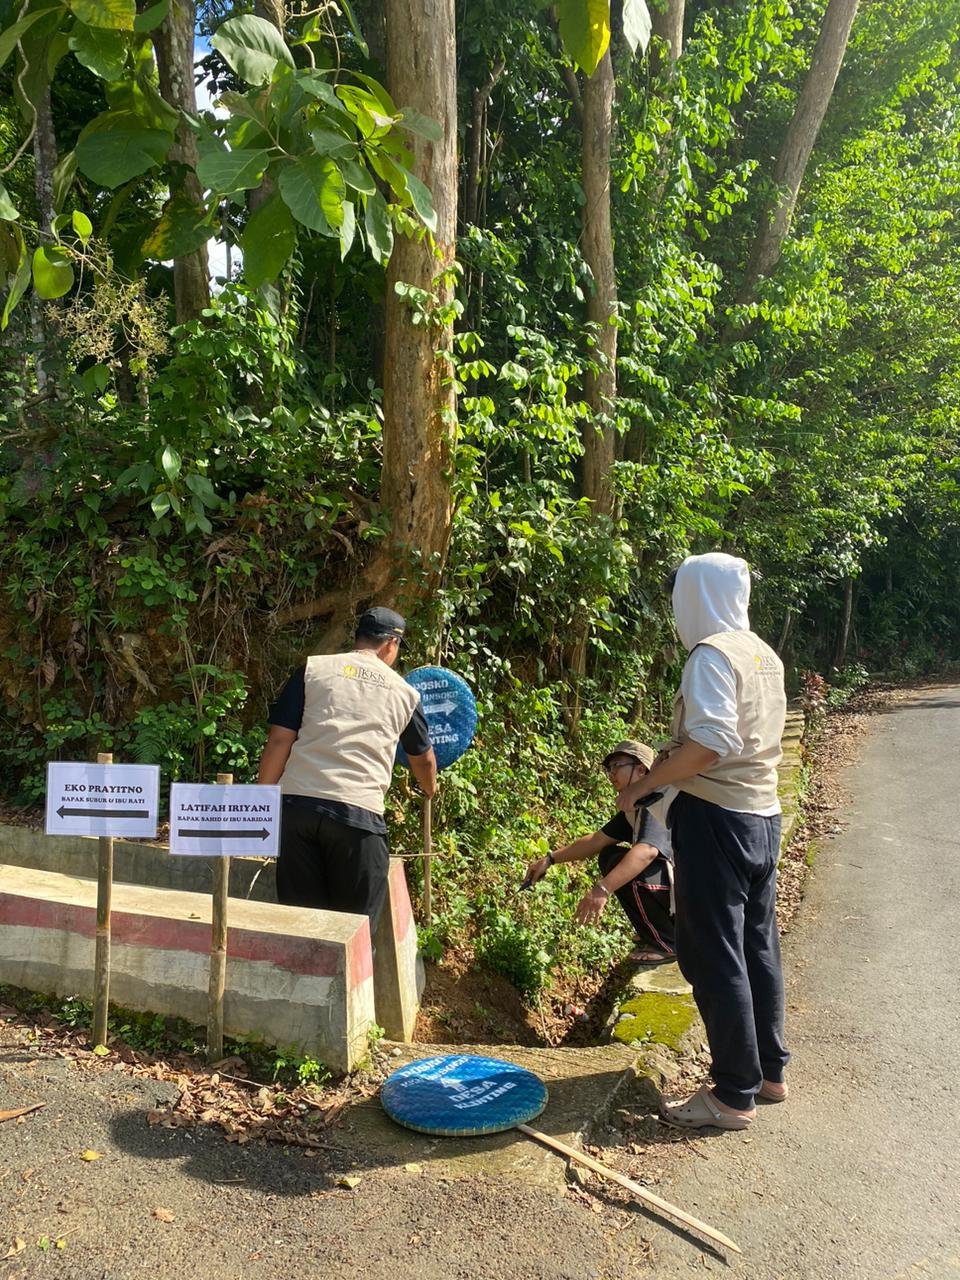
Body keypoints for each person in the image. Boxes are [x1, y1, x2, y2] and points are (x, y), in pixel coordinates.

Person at [617, 552, 789, 1131]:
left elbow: (711, 742)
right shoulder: (762, 653)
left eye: (677, 596)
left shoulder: (711, 655)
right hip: (762, 816)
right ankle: (768, 1071)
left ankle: (732, 1095)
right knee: (757, 947)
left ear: (694, 596)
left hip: (717, 819)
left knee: (713, 954)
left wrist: (648, 783)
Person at [258, 606, 437, 932]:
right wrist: (429, 788)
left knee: (300, 927)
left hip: (298, 810)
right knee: (353, 933)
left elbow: (279, 741)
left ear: (359, 637)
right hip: (358, 818)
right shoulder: (404, 692)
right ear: (391, 644)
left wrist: (262, 808)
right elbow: (422, 759)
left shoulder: (314, 669)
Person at [523, 740, 675, 963]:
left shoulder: (656, 801)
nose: (611, 774)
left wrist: (602, 889)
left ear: (641, 769)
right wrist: (550, 858)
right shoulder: (634, 808)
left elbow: (646, 852)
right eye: (609, 768)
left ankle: (667, 942)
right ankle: (658, 933)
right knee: (610, 856)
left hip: (691, 893)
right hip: (678, 893)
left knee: (623, 868)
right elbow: (597, 840)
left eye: (618, 766)